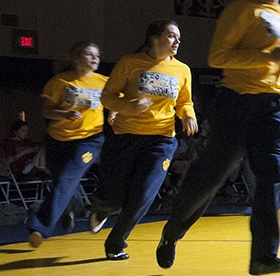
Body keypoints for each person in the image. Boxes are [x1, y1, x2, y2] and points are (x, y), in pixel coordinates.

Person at [156, 0, 280, 275]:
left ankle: (264, 256)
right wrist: (269, 55)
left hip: (275, 105)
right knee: (211, 175)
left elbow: (271, 64)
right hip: (238, 103)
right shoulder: (241, 10)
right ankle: (173, 232)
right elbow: (219, 57)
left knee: (271, 176)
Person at [89, 21, 197, 260]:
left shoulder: (182, 70)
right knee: (116, 194)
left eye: (178, 37)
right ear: (155, 38)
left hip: (161, 139)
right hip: (126, 136)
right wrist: (127, 106)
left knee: (144, 194)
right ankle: (104, 205)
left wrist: (188, 115)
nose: (177, 42)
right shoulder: (130, 63)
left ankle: (115, 243)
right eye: (171, 36)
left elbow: (184, 101)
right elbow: (107, 97)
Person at [27, 41, 108, 247]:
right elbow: (46, 111)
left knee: (65, 180)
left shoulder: (104, 82)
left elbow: (116, 102)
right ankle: (68, 206)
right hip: (58, 139)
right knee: (61, 183)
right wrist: (64, 114)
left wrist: (114, 115)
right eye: (89, 54)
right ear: (76, 58)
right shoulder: (59, 81)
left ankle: (39, 228)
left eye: (97, 55)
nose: (94, 58)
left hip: (89, 140)